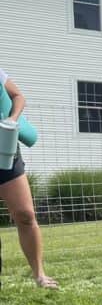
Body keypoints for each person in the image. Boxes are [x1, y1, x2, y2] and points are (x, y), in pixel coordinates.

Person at [0, 68, 58, 288]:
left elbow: (18, 96)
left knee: (25, 214)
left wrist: (12, 119)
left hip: (5, 147)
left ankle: (39, 275)